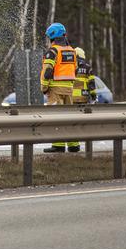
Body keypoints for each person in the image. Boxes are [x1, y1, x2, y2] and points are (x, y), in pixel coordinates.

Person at [41, 22, 77, 153]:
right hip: (69, 89)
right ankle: (74, 144)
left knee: (56, 117)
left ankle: (58, 145)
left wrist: (44, 87)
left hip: (55, 89)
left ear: (52, 37)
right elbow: (75, 69)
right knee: (70, 117)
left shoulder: (53, 51)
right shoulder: (72, 51)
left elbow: (48, 71)